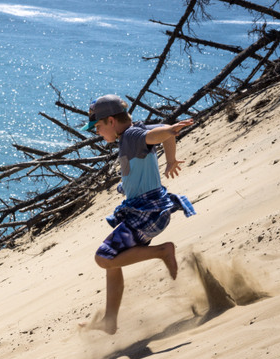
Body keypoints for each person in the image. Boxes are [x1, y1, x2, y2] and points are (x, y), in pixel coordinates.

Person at [79, 94, 196, 334]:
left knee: (103, 258)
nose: (97, 133)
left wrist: (170, 133)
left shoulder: (131, 136)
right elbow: (164, 131)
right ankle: (109, 321)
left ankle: (163, 251)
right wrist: (170, 156)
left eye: (98, 127)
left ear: (111, 121)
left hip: (147, 213)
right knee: (112, 261)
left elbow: (157, 135)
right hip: (150, 211)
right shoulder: (133, 131)